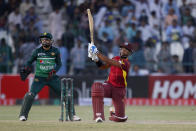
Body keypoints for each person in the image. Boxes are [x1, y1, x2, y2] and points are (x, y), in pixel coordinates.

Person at [19, 32, 81, 121]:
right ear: (41, 40)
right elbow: (29, 61)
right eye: (43, 39)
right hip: (39, 78)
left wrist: (54, 70)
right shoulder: (37, 51)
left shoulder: (55, 51)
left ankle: (72, 115)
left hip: (52, 77)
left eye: (47, 39)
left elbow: (59, 64)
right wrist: (26, 67)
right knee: (30, 95)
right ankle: (23, 115)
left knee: (66, 94)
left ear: (51, 41)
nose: (45, 41)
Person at [88, 42, 134, 122]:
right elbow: (102, 67)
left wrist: (96, 52)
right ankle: (99, 116)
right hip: (109, 86)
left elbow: (108, 60)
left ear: (129, 53)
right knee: (97, 87)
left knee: (120, 118)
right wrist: (95, 59)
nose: (123, 51)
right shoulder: (115, 58)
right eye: (122, 49)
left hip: (119, 90)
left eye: (126, 50)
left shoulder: (126, 63)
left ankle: (113, 112)